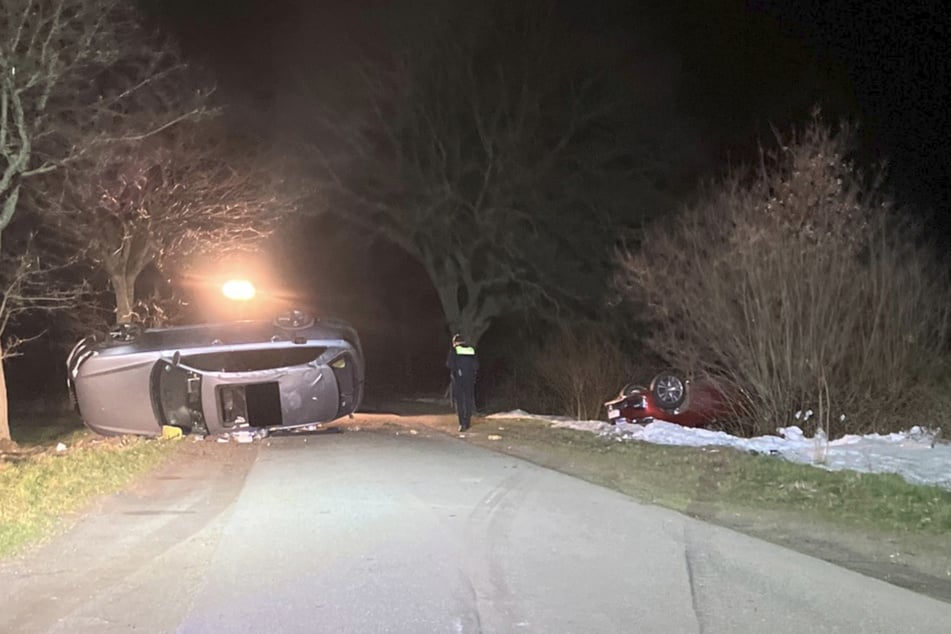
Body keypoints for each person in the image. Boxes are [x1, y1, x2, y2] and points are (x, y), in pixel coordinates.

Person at [447, 333, 478, 432]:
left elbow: (450, 364)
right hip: (470, 379)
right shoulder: (472, 350)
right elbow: (477, 365)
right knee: (468, 400)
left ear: (455, 342)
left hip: (458, 380)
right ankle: (468, 422)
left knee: (459, 402)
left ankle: (462, 423)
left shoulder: (454, 350)